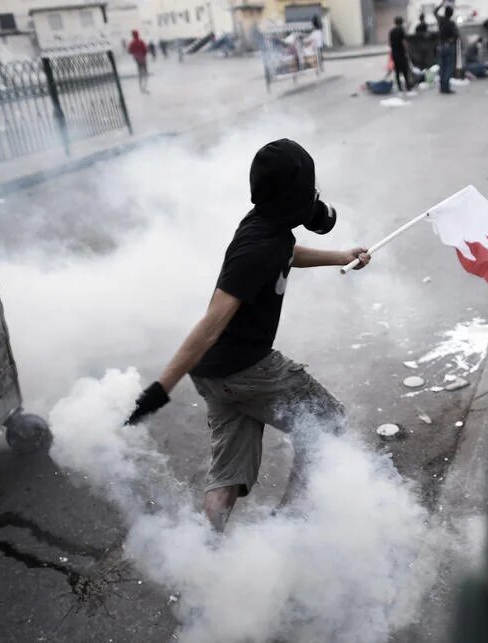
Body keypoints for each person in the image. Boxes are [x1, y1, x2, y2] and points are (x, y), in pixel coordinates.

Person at [125, 139, 372, 532]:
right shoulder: (258, 248)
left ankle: (207, 547)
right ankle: (293, 523)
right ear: (296, 196)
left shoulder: (265, 224)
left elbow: (287, 252)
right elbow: (211, 324)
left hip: (214, 376)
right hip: (248, 369)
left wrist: (338, 256)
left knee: (229, 473)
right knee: (327, 422)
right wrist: (160, 389)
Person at [435, 2, 460, 94]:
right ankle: (446, 88)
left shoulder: (441, 20)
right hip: (449, 47)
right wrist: (451, 40)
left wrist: (442, 3)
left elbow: (434, 12)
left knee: (442, 68)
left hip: (441, 46)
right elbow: (456, 35)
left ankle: (442, 88)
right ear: (451, 14)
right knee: (448, 68)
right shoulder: (451, 23)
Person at [389, 16, 413, 93]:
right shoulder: (401, 30)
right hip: (401, 53)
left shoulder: (391, 31)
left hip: (394, 53)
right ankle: (408, 86)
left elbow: (390, 43)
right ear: (402, 22)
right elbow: (403, 42)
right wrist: (407, 51)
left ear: (395, 22)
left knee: (397, 71)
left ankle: (399, 86)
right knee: (404, 70)